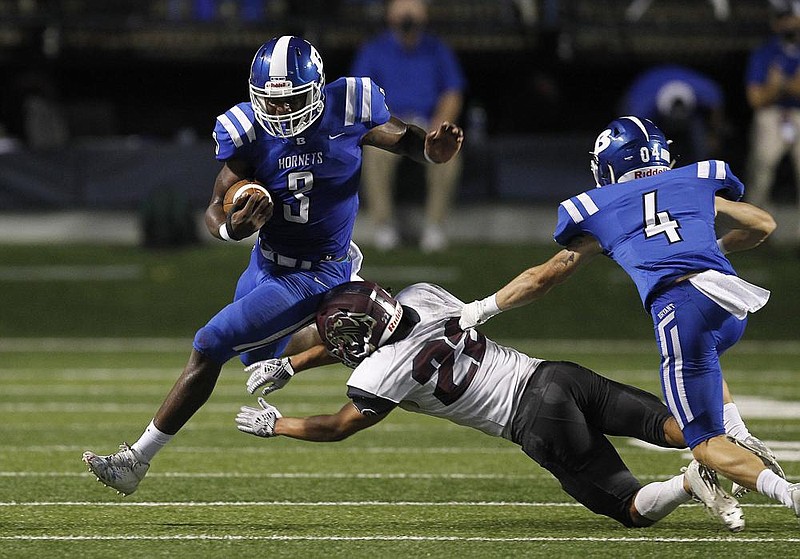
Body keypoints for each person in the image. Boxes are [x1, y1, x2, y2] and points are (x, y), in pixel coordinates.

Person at [82, 35, 463, 496]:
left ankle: (136, 459)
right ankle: (355, 325)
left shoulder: (348, 107)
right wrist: (232, 228)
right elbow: (214, 209)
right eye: (273, 103)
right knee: (257, 356)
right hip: (265, 262)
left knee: (209, 344)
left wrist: (430, 151)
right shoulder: (246, 129)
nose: (282, 114)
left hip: (319, 268)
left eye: (293, 102)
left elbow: (403, 140)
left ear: (319, 89)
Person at [458, 116, 800, 527]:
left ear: (610, 164)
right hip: (729, 299)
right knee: (706, 360)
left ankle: (790, 494)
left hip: (680, 308)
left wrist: (479, 310)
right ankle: (740, 435)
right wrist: (714, 250)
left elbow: (543, 277)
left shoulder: (600, 207)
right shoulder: (693, 180)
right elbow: (763, 224)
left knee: (705, 444)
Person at [234, 280, 737, 529]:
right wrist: (293, 365)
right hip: (555, 375)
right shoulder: (423, 295)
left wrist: (277, 425)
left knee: (631, 508)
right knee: (677, 425)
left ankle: (687, 482)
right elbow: (379, 338)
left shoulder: (377, 372)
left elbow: (337, 425)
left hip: (532, 420)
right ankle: (735, 450)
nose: (337, 348)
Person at [351, 0, 466, 252]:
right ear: (390, 13)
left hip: (428, 123)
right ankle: (383, 225)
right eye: (401, 7)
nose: (407, 14)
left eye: (414, 7)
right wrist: (383, 125)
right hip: (389, 124)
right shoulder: (375, 49)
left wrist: (441, 125)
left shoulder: (437, 49)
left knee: (449, 155)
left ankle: (434, 226)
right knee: (374, 154)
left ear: (424, 13)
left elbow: (452, 92)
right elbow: (362, 94)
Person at [745, 0, 800, 242]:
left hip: (797, 115)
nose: (785, 22)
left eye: (789, 17)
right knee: (761, 168)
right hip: (772, 115)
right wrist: (785, 87)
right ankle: (750, 229)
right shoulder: (765, 52)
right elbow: (756, 99)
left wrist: (779, 85)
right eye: (781, 17)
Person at [621, 64, 725, 162]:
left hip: (691, 118)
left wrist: (714, 135)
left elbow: (715, 109)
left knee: (701, 141)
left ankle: (702, 166)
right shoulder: (641, 106)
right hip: (648, 100)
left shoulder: (705, 90)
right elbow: (631, 129)